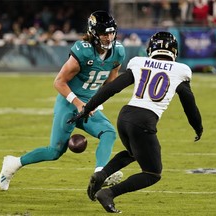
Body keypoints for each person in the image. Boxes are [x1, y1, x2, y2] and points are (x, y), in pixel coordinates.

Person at [68, 32, 203, 213]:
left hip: (124, 117)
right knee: (153, 173)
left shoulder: (140, 63)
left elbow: (112, 88)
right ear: (174, 51)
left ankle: (101, 175)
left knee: (133, 153)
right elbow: (189, 104)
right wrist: (198, 127)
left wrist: (87, 108)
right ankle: (109, 193)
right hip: (144, 121)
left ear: (150, 49)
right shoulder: (181, 70)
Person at [0, 10, 125, 191]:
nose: (109, 37)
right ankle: (13, 163)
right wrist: (79, 103)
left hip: (88, 105)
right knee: (55, 151)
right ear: (94, 33)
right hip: (69, 103)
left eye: (112, 32)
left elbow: (110, 82)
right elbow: (59, 82)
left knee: (109, 132)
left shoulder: (118, 51)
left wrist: (95, 101)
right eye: (105, 33)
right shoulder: (83, 52)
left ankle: (101, 174)